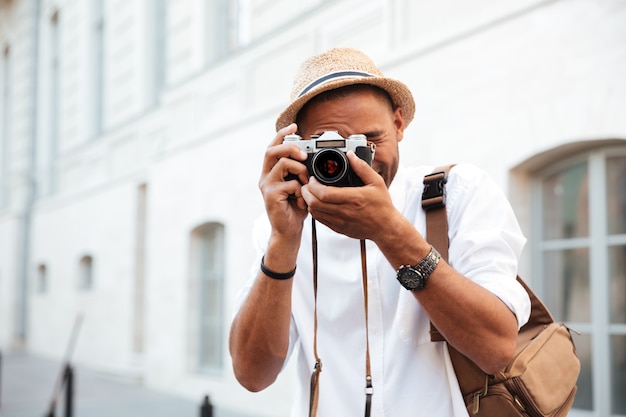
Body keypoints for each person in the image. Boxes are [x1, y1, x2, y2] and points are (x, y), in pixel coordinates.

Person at [229, 47, 531, 416]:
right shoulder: (282, 225)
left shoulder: (458, 194)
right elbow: (252, 375)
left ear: (399, 124)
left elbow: (496, 349)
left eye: (370, 141)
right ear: (300, 149)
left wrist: (389, 231)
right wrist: (283, 240)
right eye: (332, 148)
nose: (357, 161)